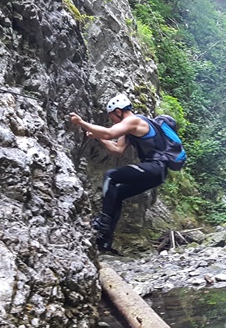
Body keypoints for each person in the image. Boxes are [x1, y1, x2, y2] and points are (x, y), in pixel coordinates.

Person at [69, 93, 168, 252]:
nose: (113, 121)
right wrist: (98, 137)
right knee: (118, 193)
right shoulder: (131, 128)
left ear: (118, 111)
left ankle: (104, 222)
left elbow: (109, 133)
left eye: (112, 117)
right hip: (157, 174)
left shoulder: (134, 121)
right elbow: (117, 149)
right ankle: (105, 240)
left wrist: (81, 122)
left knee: (111, 176)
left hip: (156, 166)